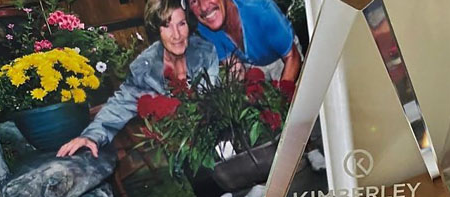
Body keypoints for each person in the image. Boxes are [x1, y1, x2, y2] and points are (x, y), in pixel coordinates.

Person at [57, 0, 219, 158]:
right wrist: (90, 136)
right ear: (156, 30)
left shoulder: (205, 52)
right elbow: (119, 106)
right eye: (166, 25)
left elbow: (214, 101)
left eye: (181, 24)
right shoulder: (145, 69)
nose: (176, 35)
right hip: (182, 150)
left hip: (218, 136)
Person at [187, 0, 302, 81]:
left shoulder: (260, 9)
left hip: (283, 58)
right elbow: (234, 66)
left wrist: (281, 101)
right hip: (250, 64)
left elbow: (292, 56)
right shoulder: (205, 25)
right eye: (194, 1)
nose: (203, 7)